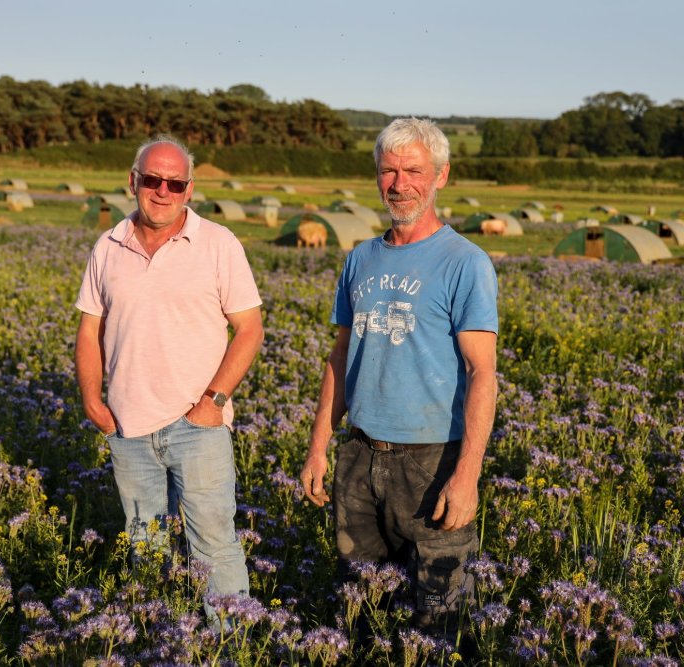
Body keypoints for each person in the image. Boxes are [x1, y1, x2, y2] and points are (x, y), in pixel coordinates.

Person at [300, 117, 498, 640]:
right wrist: (319, 446)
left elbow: (483, 373)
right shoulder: (360, 258)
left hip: (432, 459)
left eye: (413, 170)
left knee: (439, 616)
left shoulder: (465, 263)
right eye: (389, 170)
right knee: (361, 608)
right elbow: (340, 358)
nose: (400, 182)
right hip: (360, 454)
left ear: (441, 176)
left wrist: (468, 473)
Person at [75, 135, 264, 622]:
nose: (163, 191)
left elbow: (249, 329)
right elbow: (89, 327)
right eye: (152, 180)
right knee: (147, 547)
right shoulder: (108, 244)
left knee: (215, 547)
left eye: (174, 182)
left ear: (189, 188)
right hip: (128, 428)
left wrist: (213, 402)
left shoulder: (218, 243)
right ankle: (160, 640)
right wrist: (92, 402)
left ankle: (230, 644)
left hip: (197, 426)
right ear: (133, 181)